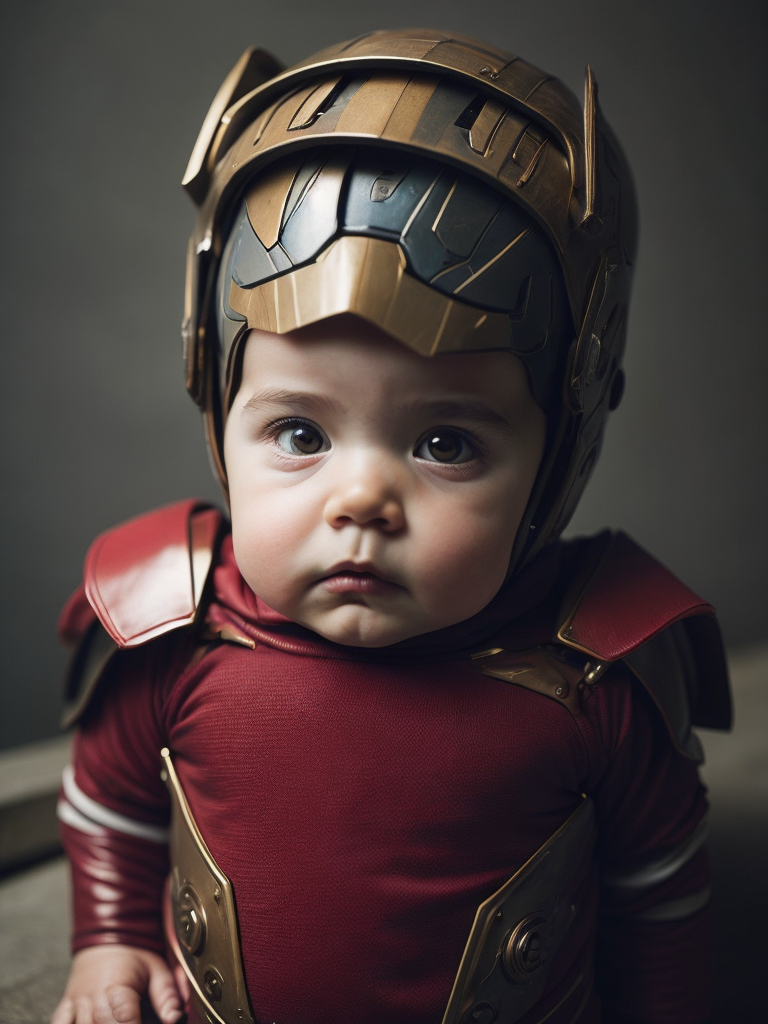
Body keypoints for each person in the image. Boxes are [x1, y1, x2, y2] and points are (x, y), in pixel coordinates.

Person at [51, 29, 731, 1024]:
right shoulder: (177, 634)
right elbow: (106, 802)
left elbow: (662, 899)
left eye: (446, 444)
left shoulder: (596, 680)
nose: (361, 499)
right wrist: (109, 936)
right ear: (215, 404)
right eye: (299, 433)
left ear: (560, 449)